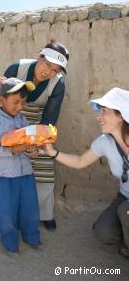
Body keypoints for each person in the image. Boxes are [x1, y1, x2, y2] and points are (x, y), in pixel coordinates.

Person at [45, 87, 129, 259]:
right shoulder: (104, 142)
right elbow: (79, 162)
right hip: (124, 196)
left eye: (104, 111)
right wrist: (53, 153)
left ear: (120, 115)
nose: (99, 116)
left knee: (124, 210)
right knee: (103, 231)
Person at [0, 40, 69, 230]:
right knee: (10, 162)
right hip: (12, 118)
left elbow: (49, 118)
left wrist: (37, 142)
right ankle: (14, 211)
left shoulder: (58, 84)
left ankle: (45, 214)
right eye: (47, 64)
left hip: (38, 124)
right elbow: (0, 98)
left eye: (55, 70)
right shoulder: (17, 68)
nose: (48, 72)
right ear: (40, 57)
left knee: (44, 165)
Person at [0, 78, 41, 257]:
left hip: (26, 174)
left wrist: (32, 151)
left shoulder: (23, 120)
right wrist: (13, 151)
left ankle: (31, 238)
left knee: (30, 209)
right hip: (4, 177)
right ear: (2, 99)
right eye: (15, 102)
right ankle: (10, 244)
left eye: (23, 103)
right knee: (6, 213)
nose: (19, 107)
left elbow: (28, 143)